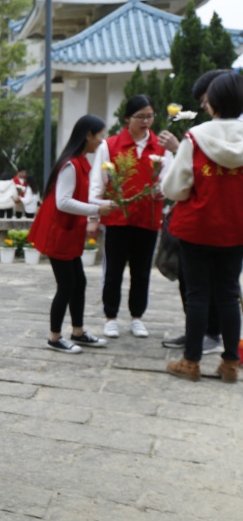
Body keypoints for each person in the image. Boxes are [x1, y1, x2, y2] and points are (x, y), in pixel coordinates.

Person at [161, 73, 243, 382]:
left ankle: (191, 362)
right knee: (228, 293)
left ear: (212, 103)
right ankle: (230, 364)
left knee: (197, 294)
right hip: (236, 228)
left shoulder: (195, 136)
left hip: (197, 228)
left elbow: (175, 187)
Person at [87, 95, 177, 339]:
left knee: (142, 272)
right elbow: (97, 183)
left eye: (150, 116)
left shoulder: (160, 147)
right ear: (127, 118)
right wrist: (93, 216)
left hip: (148, 218)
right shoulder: (110, 146)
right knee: (113, 270)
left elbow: (170, 179)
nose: (146, 121)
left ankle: (137, 317)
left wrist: (163, 190)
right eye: (140, 117)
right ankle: (110, 317)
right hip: (117, 219)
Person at [29, 115, 115, 353]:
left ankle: (78, 332)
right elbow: (63, 202)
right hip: (59, 233)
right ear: (88, 135)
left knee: (79, 283)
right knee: (66, 286)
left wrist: (105, 203)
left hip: (68, 233)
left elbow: (80, 197)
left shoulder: (80, 162)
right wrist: (97, 209)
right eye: (100, 136)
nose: (102, 141)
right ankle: (55, 337)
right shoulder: (71, 164)